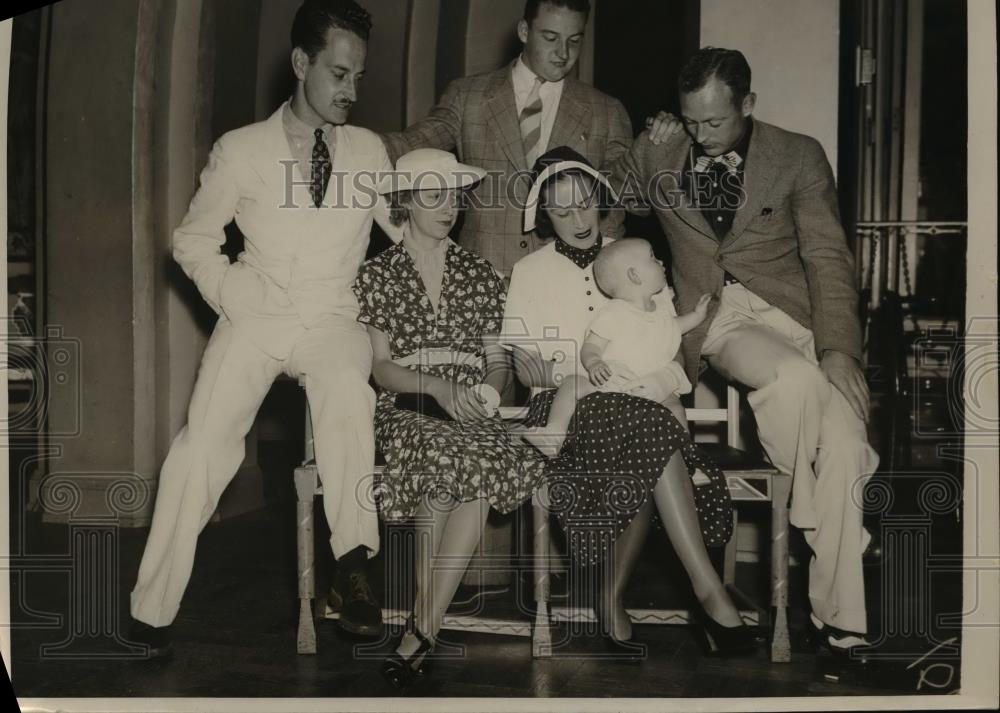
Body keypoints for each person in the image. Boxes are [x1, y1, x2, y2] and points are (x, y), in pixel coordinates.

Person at [128, 0, 399, 657]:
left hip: (333, 314)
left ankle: (355, 563)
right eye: (339, 73)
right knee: (203, 445)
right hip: (256, 315)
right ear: (302, 63)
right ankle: (151, 607)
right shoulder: (242, 149)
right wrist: (231, 293)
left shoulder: (368, 150)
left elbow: (403, 236)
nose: (350, 91)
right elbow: (191, 240)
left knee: (347, 393)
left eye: (358, 77)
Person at [611, 47, 880, 661]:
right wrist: (645, 139)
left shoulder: (799, 154)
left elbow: (827, 258)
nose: (701, 136)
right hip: (719, 317)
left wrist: (839, 349)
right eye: (691, 120)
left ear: (748, 104)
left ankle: (843, 625)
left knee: (838, 433)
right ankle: (837, 527)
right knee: (790, 381)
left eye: (715, 123)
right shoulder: (663, 149)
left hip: (795, 314)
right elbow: (613, 200)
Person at [501, 146, 758, 657]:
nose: (577, 218)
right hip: (565, 408)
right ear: (544, 215)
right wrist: (582, 373)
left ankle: (612, 598)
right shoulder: (531, 271)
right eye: (560, 208)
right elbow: (522, 366)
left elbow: (665, 343)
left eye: (584, 203)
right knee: (649, 433)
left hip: (639, 406)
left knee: (645, 429)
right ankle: (706, 591)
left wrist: (654, 379)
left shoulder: (636, 258)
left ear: (599, 198)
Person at [352, 149, 546, 687]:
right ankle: (426, 625)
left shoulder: (479, 272)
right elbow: (382, 368)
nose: (448, 207)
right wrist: (437, 387)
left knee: (481, 458)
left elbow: (497, 360)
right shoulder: (378, 274)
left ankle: (422, 626)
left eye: (454, 196)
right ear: (405, 202)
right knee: (441, 459)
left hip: (469, 405)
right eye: (432, 195)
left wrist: (486, 389)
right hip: (408, 404)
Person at [380, 0, 633, 275]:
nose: (563, 53)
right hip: (481, 278)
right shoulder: (468, 97)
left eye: (574, 40)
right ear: (524, 31)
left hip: (570, 280)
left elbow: (622, 199)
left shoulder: (606, 111)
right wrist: (355, 141)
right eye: (550, 38)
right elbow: (414, 142)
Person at [520, 237, 713, 458]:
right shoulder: (614, 313)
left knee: (676, 408)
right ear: (634, 275)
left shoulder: (660, 313)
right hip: (612, 382)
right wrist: (594, 363)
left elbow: (676, 326)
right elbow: (591, 346)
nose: (660, 261)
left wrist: (698, 315)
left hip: (650, 387)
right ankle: (553, 435)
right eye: (652, 257)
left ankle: (686, 456)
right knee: (573, 384)